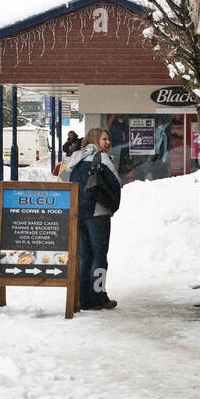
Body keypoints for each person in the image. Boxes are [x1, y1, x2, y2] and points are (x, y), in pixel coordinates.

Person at [65, 128, 121, 310]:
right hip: (98, 212)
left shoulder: (74, 158)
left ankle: (82, 297)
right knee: (99, 255)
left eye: (108, 139)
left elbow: (64, 180)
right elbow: (115, 184)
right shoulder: (102, 158)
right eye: (104, 139)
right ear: (95, 140)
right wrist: (112, 206)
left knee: (84, 256)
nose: (108, 142)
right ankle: (98, 297)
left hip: (77, 213)